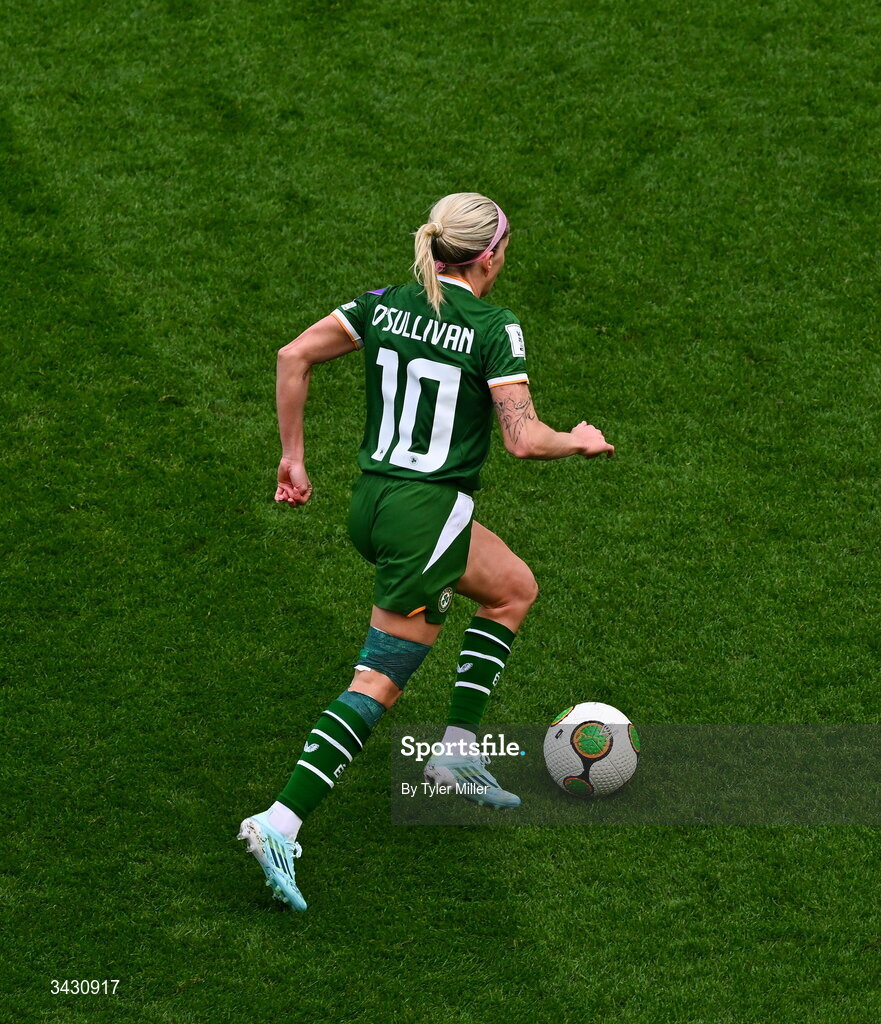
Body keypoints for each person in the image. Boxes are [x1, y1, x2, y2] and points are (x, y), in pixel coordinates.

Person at [238, 192, 614, 910]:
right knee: (378, 681)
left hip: (374, 504)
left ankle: (456, 752)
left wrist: (293, 457)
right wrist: (579, 440)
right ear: (489, 257)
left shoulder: (383, 305)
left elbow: (294, 355)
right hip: (427, 518)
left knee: (512, 588)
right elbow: (523, 439)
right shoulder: (493, 326)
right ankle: (279, 822)